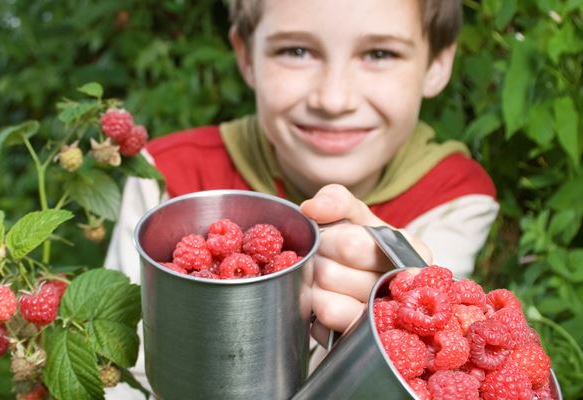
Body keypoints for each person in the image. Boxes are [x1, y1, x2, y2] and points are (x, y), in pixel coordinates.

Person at [104, 0, 499, 397]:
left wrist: (388, 327)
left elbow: (440, 362)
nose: (333, 99)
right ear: (246, 56)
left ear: (437, 64)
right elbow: (124, 373)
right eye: (296, 51)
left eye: (380, 53)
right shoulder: (167, 176)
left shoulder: (453, 196)